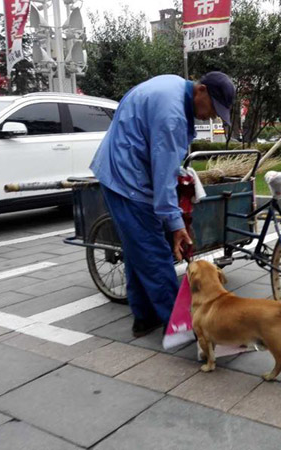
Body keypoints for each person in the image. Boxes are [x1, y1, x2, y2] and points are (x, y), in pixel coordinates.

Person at [90, 72, 235, 337]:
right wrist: (176, 224)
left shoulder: (172, 85)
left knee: (138, 249)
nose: (211, 116)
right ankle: (184, 330)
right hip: (127, 180)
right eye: (213, 108)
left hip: (119, 171)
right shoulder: (173, 116)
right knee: (155, 252)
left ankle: (144, 318)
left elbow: (162, 161)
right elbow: (163, 176)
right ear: (200, 91)